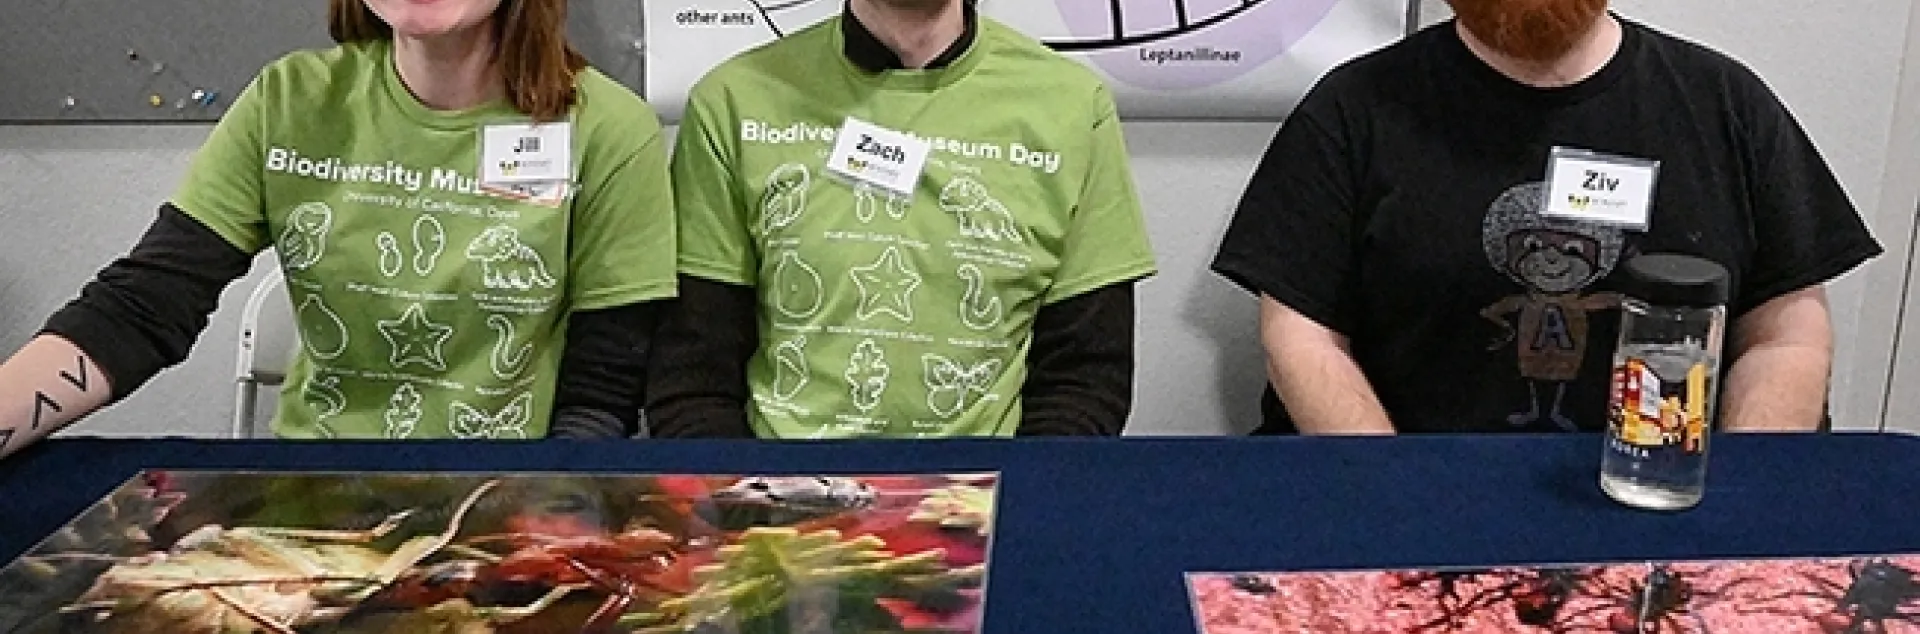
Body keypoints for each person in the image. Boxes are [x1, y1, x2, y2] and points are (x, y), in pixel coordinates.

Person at [0, 0, 677, 458]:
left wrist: (536, 515)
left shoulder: (606, 128)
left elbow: (603, 391)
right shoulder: (289, 101)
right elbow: (142, 309)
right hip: (310, 496)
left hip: (505, 503)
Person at [1210, 0, 1882, 435]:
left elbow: (1785, 334)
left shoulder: (1726, 104)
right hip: (1410, 514)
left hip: (1663, 508)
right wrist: (1395, 499)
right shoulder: (1353, 112)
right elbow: (1300, 336)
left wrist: (1741, 503)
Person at [646, 0, 1158, 439]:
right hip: (782, 511)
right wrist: (754, 510)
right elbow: (693, 372)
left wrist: (1020, 503)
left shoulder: (1069, 106)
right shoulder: (735, 100)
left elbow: (1087, 373)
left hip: (990, 505)